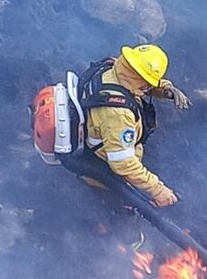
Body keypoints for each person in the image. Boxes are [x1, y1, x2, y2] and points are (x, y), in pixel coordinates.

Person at [78, 44, 191, 208]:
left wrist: (165, 89)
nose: (149, 88)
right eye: (148, 83)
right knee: (124, 222)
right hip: (104, 175)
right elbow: (123, 163)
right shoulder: (118, 115)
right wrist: (158, 190)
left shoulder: (111, 69)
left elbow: (134, 81)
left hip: (101, 142)